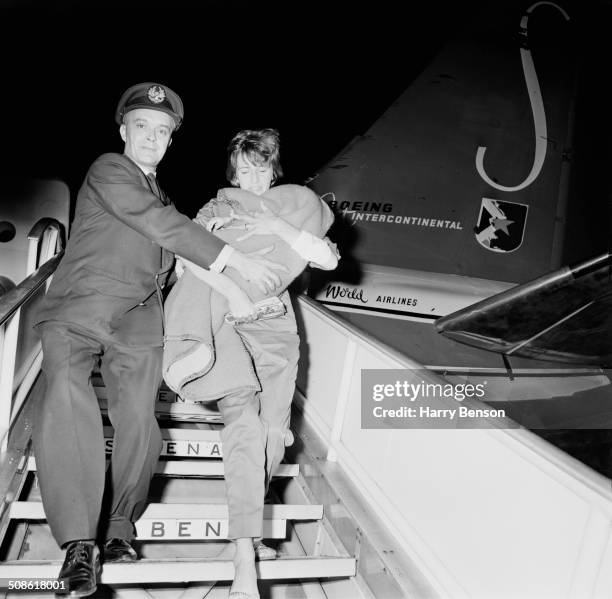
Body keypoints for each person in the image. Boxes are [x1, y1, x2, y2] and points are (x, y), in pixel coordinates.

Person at [32, 85, 284, 598]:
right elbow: (160, 226)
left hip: (141, 319)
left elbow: (176, 254)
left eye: (162, 130)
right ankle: (80, 542)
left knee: (141, 424)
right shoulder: (109, 169)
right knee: (64, 390)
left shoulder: (165, 197)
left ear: (170, 142)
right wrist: (234, 261)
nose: (151, 137)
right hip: (83, 305)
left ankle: (120, 528)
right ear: (124, 131)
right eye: (142, 126)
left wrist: (228, 287)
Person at [163, 128, 338, 599]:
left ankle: (246, 531)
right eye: (243, 170)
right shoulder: (214, 210)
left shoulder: (291, 205)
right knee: (242, 423)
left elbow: (325, 259)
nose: (252, 179)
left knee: (274, 436)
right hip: (227, 318)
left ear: (274, 170)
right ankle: (244, 556)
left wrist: (277, 229)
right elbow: (183, 265)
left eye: (261, 169)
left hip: (277, 327)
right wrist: (233, 272)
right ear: (231, 172)